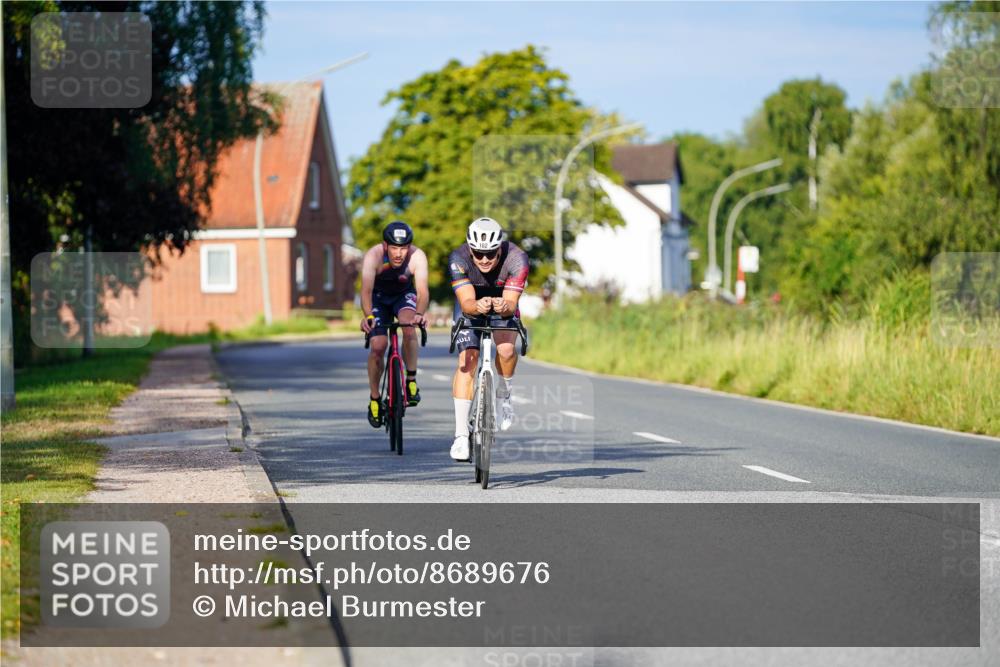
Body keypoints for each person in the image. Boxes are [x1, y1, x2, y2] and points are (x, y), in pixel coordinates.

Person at [447, 217, 529, 461]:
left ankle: (504, 394)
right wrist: (477, 306)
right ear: (470, 249)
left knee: (506, 350)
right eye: (478, 253)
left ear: (499, 248)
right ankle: (461, 436)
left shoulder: (517, 258)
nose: (484, 259)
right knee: (467, 360)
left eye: (490, 254)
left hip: (503, 300)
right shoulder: (458, 257)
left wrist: (503, 306)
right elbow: (466, 303)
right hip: (472, 302)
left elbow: (511, 303)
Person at [359, 221, 429, 427]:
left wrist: (419, 314)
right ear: (385, 246)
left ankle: (411, 380)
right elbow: (365, 291)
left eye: (403, 248)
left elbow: (422, 291)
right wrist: (368, 316)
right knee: (378, 345)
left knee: (408, 326)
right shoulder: (373, 256)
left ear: (409, 247)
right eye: (394, 248)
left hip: (403, 296)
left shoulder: (417, 256)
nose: (399, 254)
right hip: (378, 299)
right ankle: (374, 399)